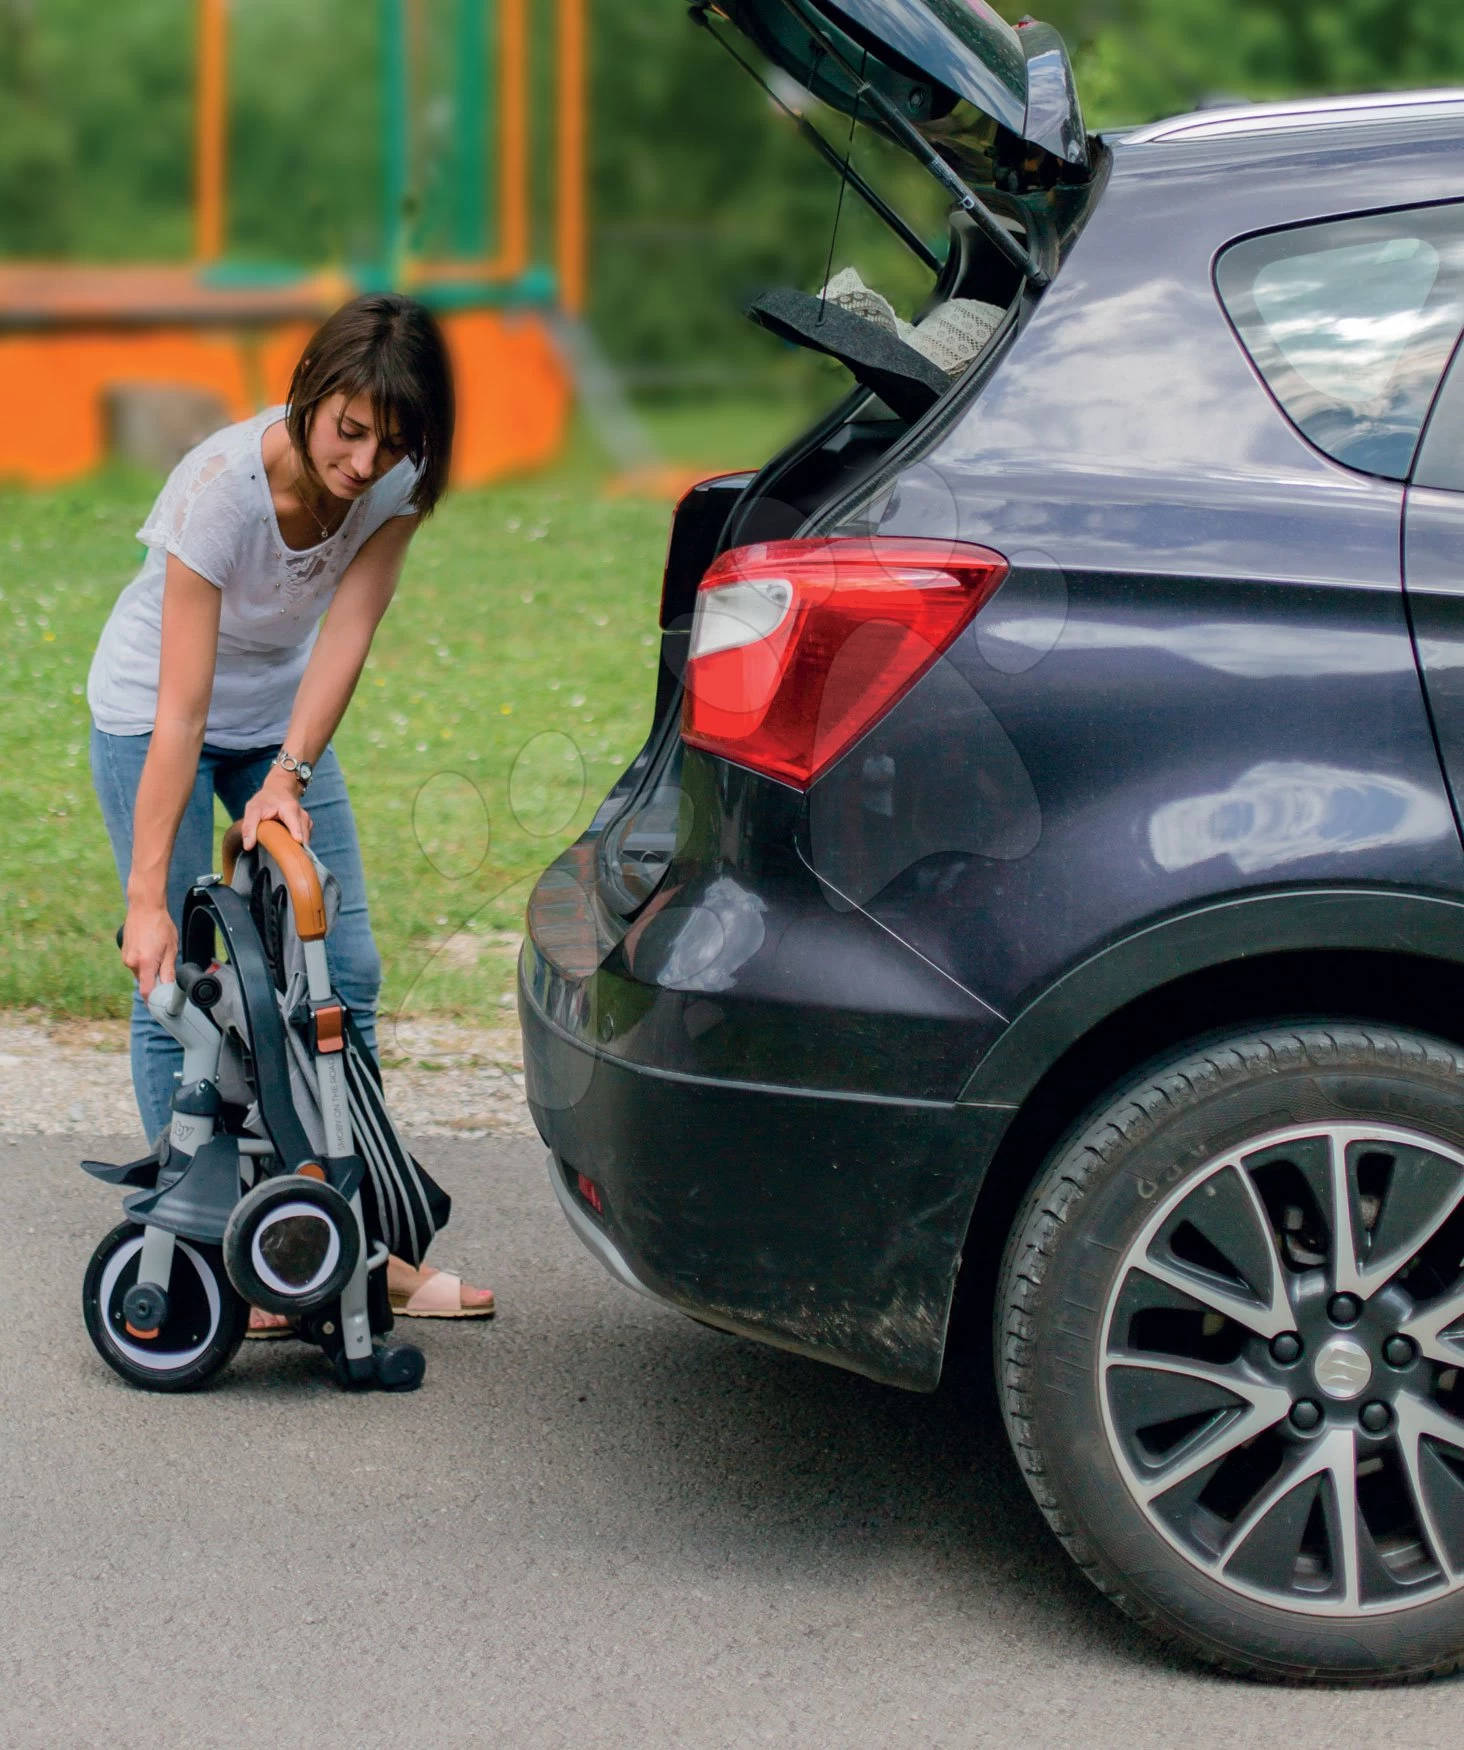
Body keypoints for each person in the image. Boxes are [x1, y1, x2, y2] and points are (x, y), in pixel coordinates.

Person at [87, 292, 493, 1329]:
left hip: (279, 724)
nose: (364, 463)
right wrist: (146, 897)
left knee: (342, 973)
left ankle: (350, 1243)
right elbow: (180, 712)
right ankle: (206, 1246)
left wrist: (289, 775)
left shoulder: (397, 479)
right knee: (174, 984)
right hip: (154, 715)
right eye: (349, 431)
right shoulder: (217, 490)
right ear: (311, 395)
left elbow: (347, 629)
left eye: (390, 442)